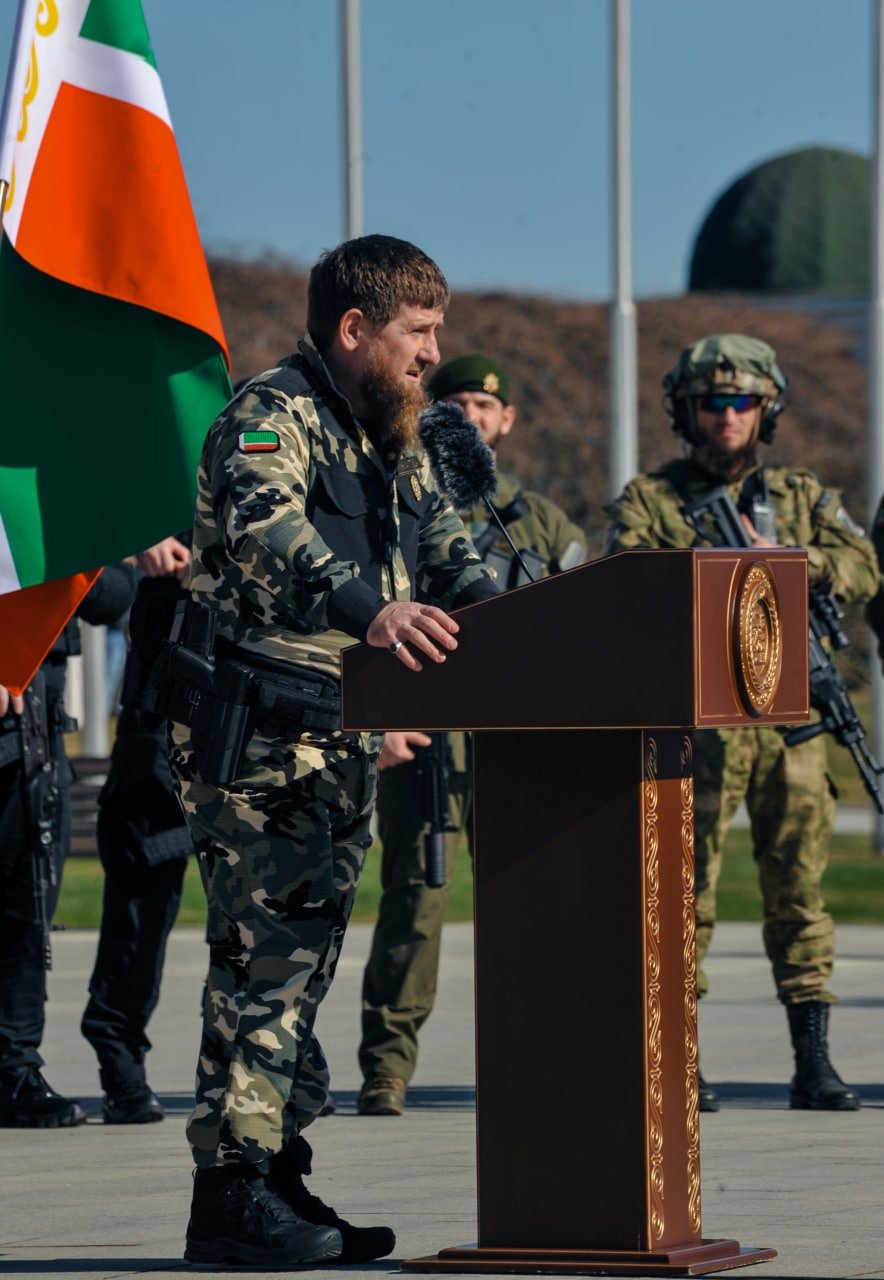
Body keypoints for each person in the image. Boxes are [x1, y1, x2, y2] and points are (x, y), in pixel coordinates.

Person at [167, 235, 499, 1269]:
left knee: (300, 975)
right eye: (417, 332)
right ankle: (231, 1195)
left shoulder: (386, 433)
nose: (432, 355)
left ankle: (271, 1172)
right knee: (264, 971)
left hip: (336, 736)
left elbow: (449, 549)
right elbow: (269, 532)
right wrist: (375, 612)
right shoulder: (270, 416)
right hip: (259, 736)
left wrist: (525, 623)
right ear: (355, 329)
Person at [605, 333, 878, 1114]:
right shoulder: (652, 498)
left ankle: (813, 1061)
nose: (728, 416)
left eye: (744, 403)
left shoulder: (800, 495)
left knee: (800, 895)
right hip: (697, 723)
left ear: (768, 410)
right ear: (685, 412)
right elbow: (629, 577)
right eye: (712, 403)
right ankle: (678, 1062)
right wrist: (721, 569)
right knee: (683, 899)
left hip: (791, 721)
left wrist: (790, 559)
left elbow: (862, 566)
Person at [357, 354, 587, 1117]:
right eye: (454, 403)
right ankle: (387, 1067)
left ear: (506, 422)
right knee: (415, 899)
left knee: (530, 895)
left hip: (518, 741)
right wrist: (384, 716)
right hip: (424, 737)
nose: (471, 417)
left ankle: (542, 1056)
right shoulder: (398, 501)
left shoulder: (542, 523)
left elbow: (573, 630)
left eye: (485, 408)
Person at [0, 563, 138, 1127]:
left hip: (35, 736)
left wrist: (72, 556)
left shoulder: (52, 503)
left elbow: (112, 597)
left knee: (27, 910)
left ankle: (12, 1068)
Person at [81, 536, 193, 1124]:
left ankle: (278, 1063)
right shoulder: (150, 461)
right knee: (140, 898)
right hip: (161, 706)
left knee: (263, 906)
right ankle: (120, 1056)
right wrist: (132, 542)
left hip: (257, 703)